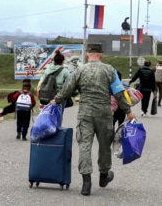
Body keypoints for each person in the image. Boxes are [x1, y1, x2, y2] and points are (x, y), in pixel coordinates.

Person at [50, 44, 135, 196]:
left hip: (85, 114)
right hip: (104, 113)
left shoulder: (80, 70)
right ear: (101, 55)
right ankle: (104, 176)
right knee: (104, 146)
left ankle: (86, 183)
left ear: (88, 55)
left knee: (84, 145)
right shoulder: (109, 70)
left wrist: (55, 101)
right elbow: (119, 92)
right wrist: (128, 111)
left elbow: (67, 89)